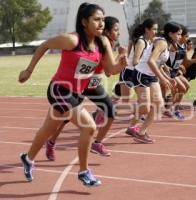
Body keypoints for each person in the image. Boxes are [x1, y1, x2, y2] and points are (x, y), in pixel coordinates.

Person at [18, 3, 127, 187]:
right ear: (84, 22)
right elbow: (44, 45)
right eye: (96, 20)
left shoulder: (103, 42)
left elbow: (110, 70)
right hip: (59, 89)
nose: (101, 24)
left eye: (102, 19)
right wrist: (29, 70)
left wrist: (121, 63)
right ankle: (84, 172)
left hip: (77, 92)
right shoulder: (71, 40)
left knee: (47, 130)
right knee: (90, 127)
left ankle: (28, 158)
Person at [45, 15, 126, 161]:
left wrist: (119, 59)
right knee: (65, 118)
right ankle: (51, 142)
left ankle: (97, 143)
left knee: (110, 110)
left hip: (93, 83)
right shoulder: (99, 40)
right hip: (82, 82)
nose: (118, 33)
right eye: (115, 30)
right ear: (106, 31)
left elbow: (108, 72)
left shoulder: (108, 44)